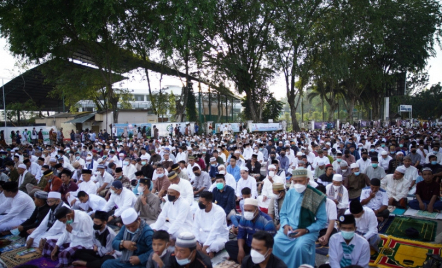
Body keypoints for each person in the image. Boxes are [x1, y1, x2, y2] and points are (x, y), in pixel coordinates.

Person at [272, 169, 327, 268]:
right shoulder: (290, 193)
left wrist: (306, 230)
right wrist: (285, 225)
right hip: (289, 228)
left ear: (307, 180)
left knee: (300, 247)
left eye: (300, 181)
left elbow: (322, 221)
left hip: (307, 230)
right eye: (295, 181)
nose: (297, 184)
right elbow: (283, 213)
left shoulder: (316, 196)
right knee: (276, 241)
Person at [225, 198, 276, 264]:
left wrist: (256, 251)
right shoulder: (244, 218)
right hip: (249, 245)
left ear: (256, 210)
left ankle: (247, 261)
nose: (247, 213)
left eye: (249, 210)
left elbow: (269, 243)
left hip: (260, 248)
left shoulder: (267, 221)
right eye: (245, 210)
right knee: (229, 245)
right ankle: (248, 260)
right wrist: (241, 249)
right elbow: (241, 235)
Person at [193, 191, 229, 258]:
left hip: (218, 236)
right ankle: (207, 251)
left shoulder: (219, 211)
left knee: (215, 245)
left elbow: (215, 231)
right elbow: (195, 227)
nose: (200, 204)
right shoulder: (199, 210)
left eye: (202, 202)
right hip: (204, 234)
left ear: (209, 203)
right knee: (190, 239)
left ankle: (209, 251)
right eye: (199, 201)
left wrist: (204, 247)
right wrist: (197, 242)